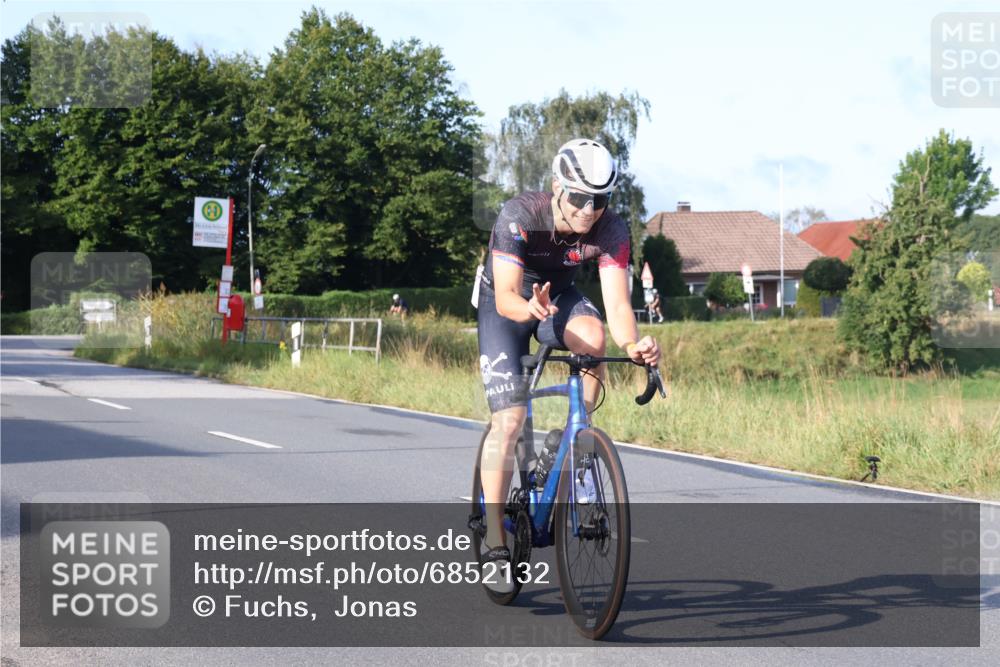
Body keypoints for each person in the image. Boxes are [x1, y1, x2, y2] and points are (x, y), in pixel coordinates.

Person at [474, 138, 661, 592]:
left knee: (595, 338)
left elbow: (617, 305)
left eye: (599, 199)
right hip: (509, 303)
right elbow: (505, 295)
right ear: (557, 186)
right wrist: (529, 309)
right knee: (512, 419)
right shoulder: (520, 215)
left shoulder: (612, 229)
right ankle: (496, 537)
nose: (588, 209)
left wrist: (634, 343)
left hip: (558, 298)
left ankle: (571, 442)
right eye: (578, 197)